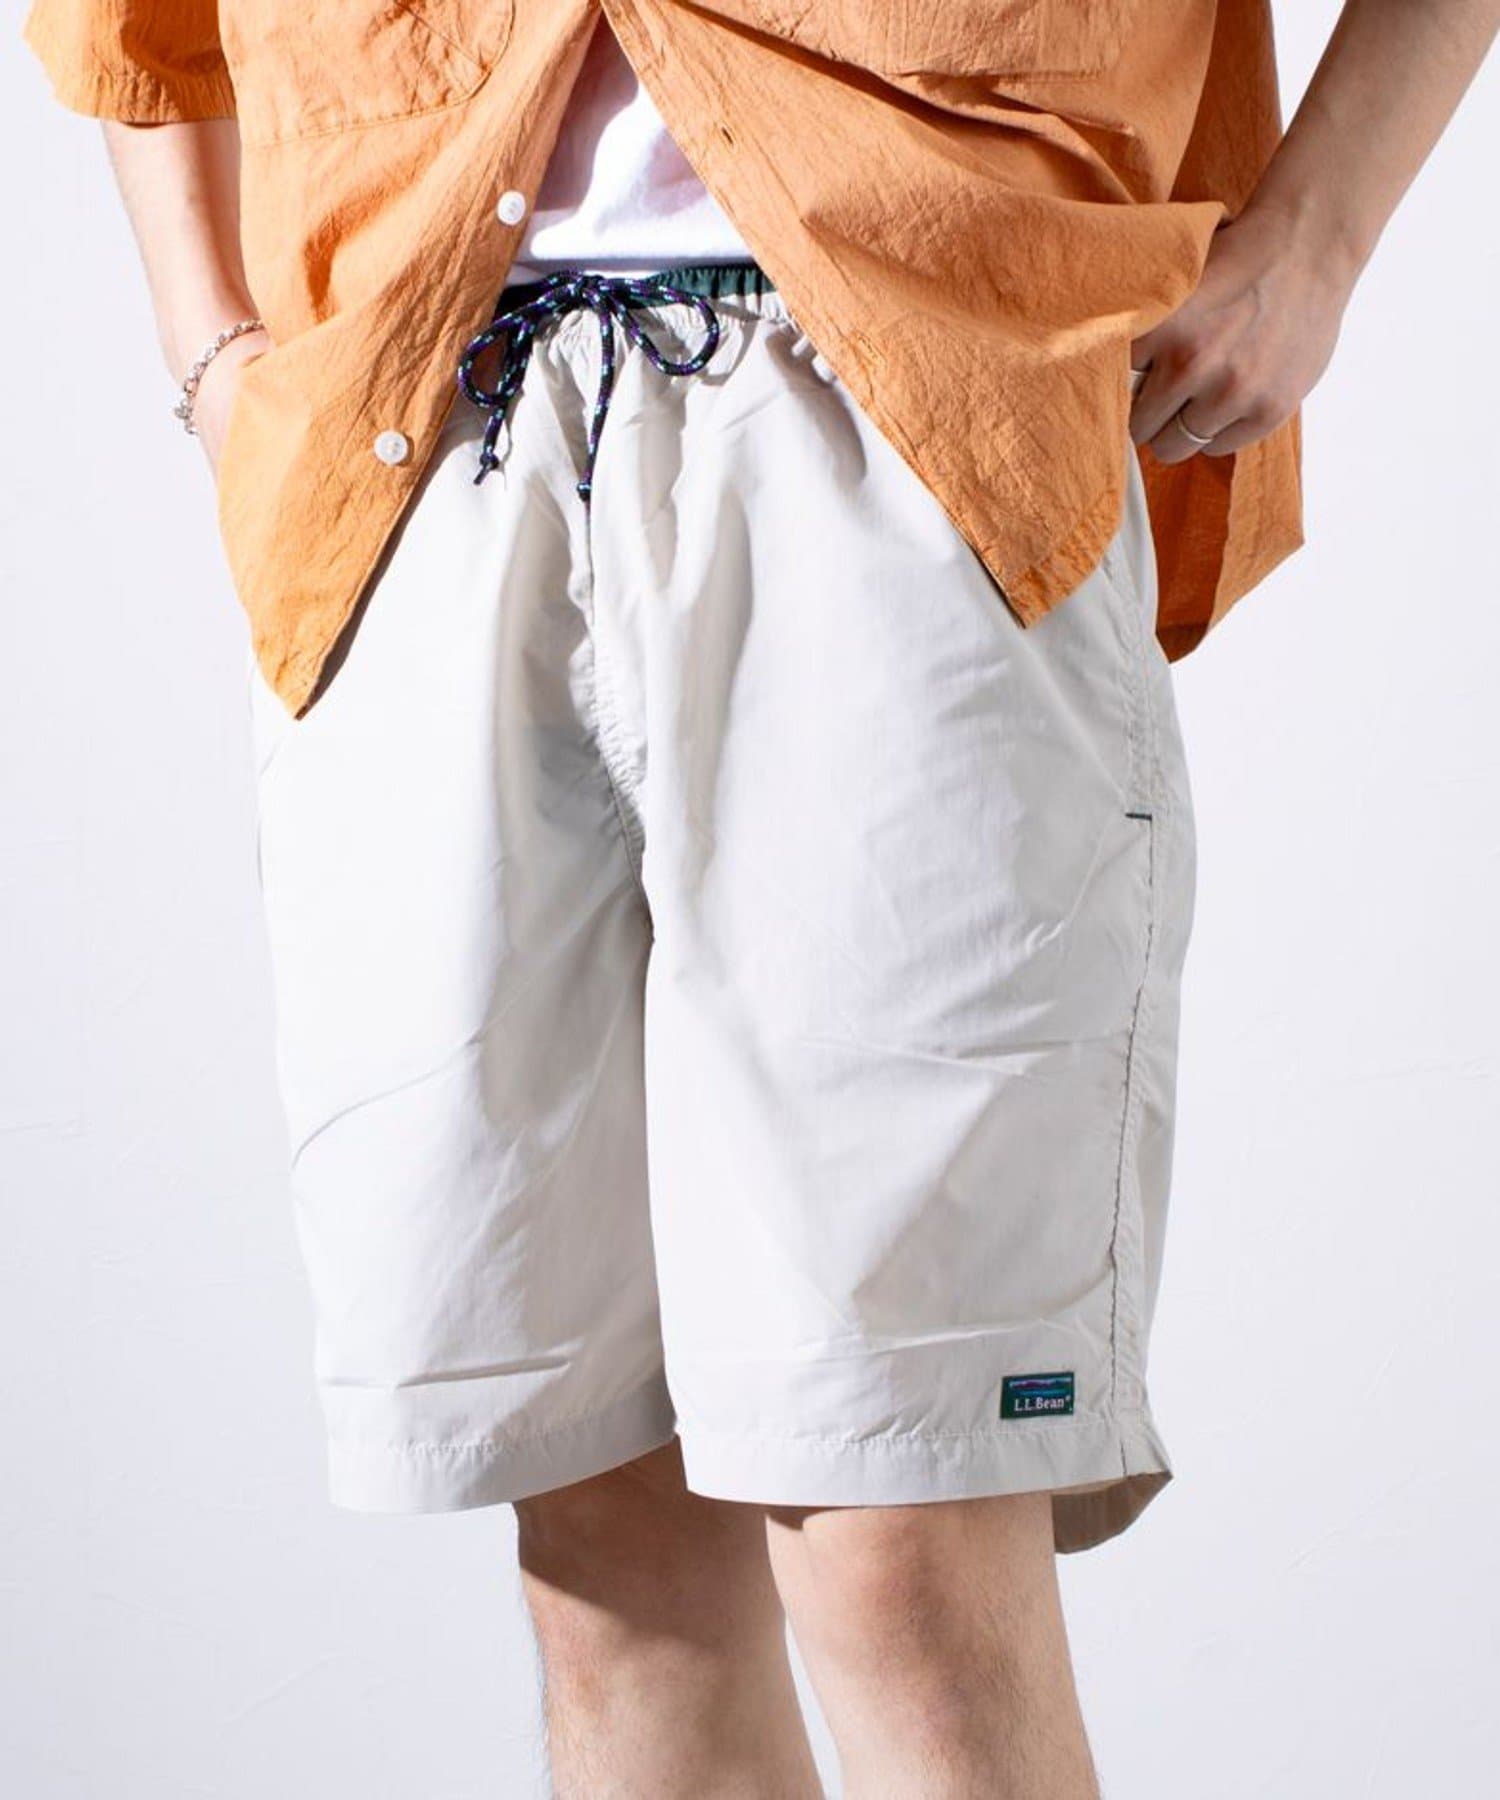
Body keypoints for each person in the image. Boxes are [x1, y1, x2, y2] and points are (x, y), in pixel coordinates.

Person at [21, 2, 1497, 1793]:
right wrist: (210, 351)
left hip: (915, 392)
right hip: (410, 430)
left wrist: (1314, 241)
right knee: (605, 1556)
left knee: (902, 1526)